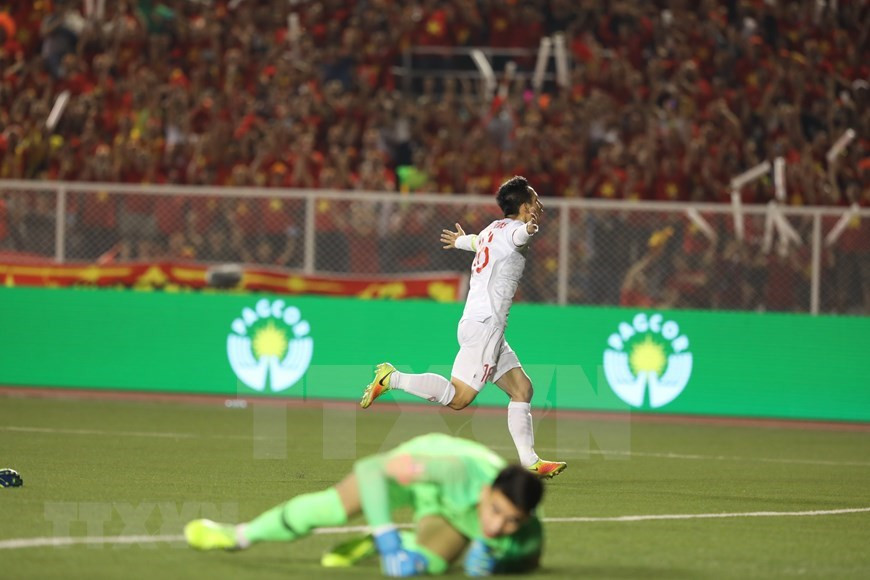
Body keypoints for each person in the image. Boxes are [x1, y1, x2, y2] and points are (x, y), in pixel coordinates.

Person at [360, 176, 566, 479]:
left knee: (522, 390)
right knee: (458, 399)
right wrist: (529, 229)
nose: (540, 204)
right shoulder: (514, 232)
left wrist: (459, 241)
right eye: (535, 199)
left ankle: (530, 461)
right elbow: (520, 236)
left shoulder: (491, 230)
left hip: (481, 325)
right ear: (524, 207)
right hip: (485, 327)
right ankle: (392, 378)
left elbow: (477, 242)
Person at [185, 433, 544, 577]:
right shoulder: (452, 471)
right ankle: (236, 535)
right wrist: (386, 532)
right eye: (496, 512)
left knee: (429, 565)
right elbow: (371, 469)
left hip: (448, 508)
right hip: (411, 473)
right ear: (486, 494)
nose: (497, 527)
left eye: (512, 521)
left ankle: (371, 545)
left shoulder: (525, 529)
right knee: (331, 508)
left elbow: (529, 559)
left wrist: (500, 564)